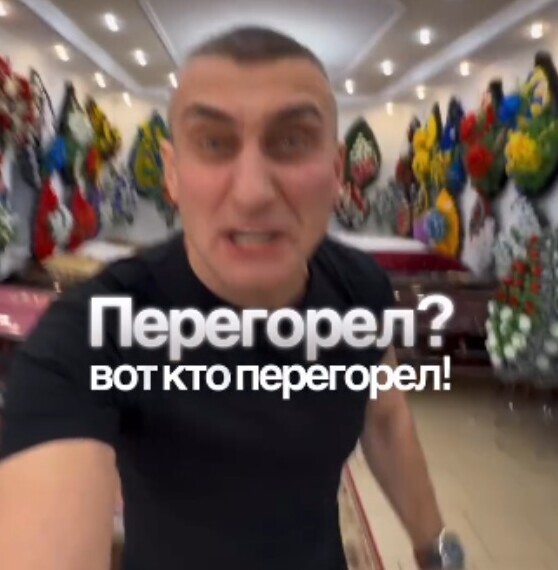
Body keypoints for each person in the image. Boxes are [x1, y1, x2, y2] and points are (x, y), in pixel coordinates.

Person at [0, 26, 465, 570]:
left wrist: (436, 551)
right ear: (173, 174)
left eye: (292, 141)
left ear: (336, 173)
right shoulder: (93, 331)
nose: (252, 193)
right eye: (214, 144)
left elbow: (383, 417)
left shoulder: (360, 287)